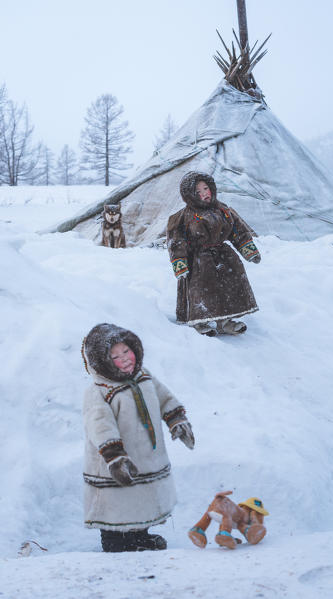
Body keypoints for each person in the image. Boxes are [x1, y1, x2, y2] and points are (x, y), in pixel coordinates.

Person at [81, 323, 194, 552]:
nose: (124, 359)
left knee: (140, 496)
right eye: (115, 356)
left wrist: (176, 420)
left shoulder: (143, 376)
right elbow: (100, 425)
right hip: (116, 460)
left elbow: (163, 398)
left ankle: (140, 535)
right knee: (118, 499)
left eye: (126, 351)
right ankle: (114, 540)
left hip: (144, 456)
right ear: (102, 361)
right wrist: (115, 457)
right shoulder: (99, 391)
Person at [167, 171, 261, 336]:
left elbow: (237, 231)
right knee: (202, 289)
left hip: (224, 255)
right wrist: (179, 263)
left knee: (229, 286)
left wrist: (249, 250)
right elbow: (176, 241)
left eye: (206, 188)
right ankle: (200, 321)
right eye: (198, 192)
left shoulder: (223, 210)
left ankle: (225, 321)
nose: (204, 193)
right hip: (198, 259)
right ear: (190, 195)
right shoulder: (184, 216)